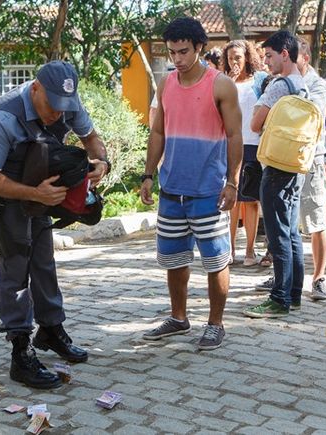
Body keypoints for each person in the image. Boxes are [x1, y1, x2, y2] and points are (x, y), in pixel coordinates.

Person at [0, 60, 109, 389]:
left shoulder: (66, 103)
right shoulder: (2, 117)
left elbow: (92, 138)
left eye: (64, 107)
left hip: (40, 194)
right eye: (51, 105)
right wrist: (34, 192)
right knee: (15, 269)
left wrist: (101, 162)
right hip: (5, 197)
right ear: (35, 88)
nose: (57, 115)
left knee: (44, 262)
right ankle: (21, 351)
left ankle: (50, 330)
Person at [140, 17, 242, 350]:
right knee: (174, 259)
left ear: (199, 47)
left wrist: (233, 182)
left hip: (209, 191)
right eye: (172, 53)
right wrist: (148, 175)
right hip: (172, 190)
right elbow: (158, 132)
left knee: (216, 260)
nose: (177, 59)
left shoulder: (221, 85)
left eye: (183, 51)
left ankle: (215, 324)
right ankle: (179, 318)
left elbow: (234, 135)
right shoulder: (166, 84)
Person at [243, 30, 308, 318]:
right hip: (295, 165)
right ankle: (294, 295)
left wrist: (260, 102)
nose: (265, 62)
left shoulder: (279, 85)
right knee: (292, 231)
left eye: (269, 56)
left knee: (277, 233)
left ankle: (278, 299)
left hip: (276, 166)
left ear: (285, 53)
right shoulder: (302, 83)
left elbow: (256, 124)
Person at [221, 39, 267, 267]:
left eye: (238, 57)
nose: (234, 61)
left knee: (250, 200)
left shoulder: (259, 80)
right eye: (230, 58)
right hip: (229, 145)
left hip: (254, 145)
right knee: (232, 199)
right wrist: (227, 83)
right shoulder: (222, 81)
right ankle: (229, 250)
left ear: (247, 57)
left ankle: (250, 250)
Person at [295, 36, 326, 300]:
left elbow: (311, 115)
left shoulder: (318, 85)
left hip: (311, 160)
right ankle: (284, 275)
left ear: (305, 58)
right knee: (286, 222)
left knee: (317, 221)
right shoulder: (281, 81)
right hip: (284, 160)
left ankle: (318, 278)